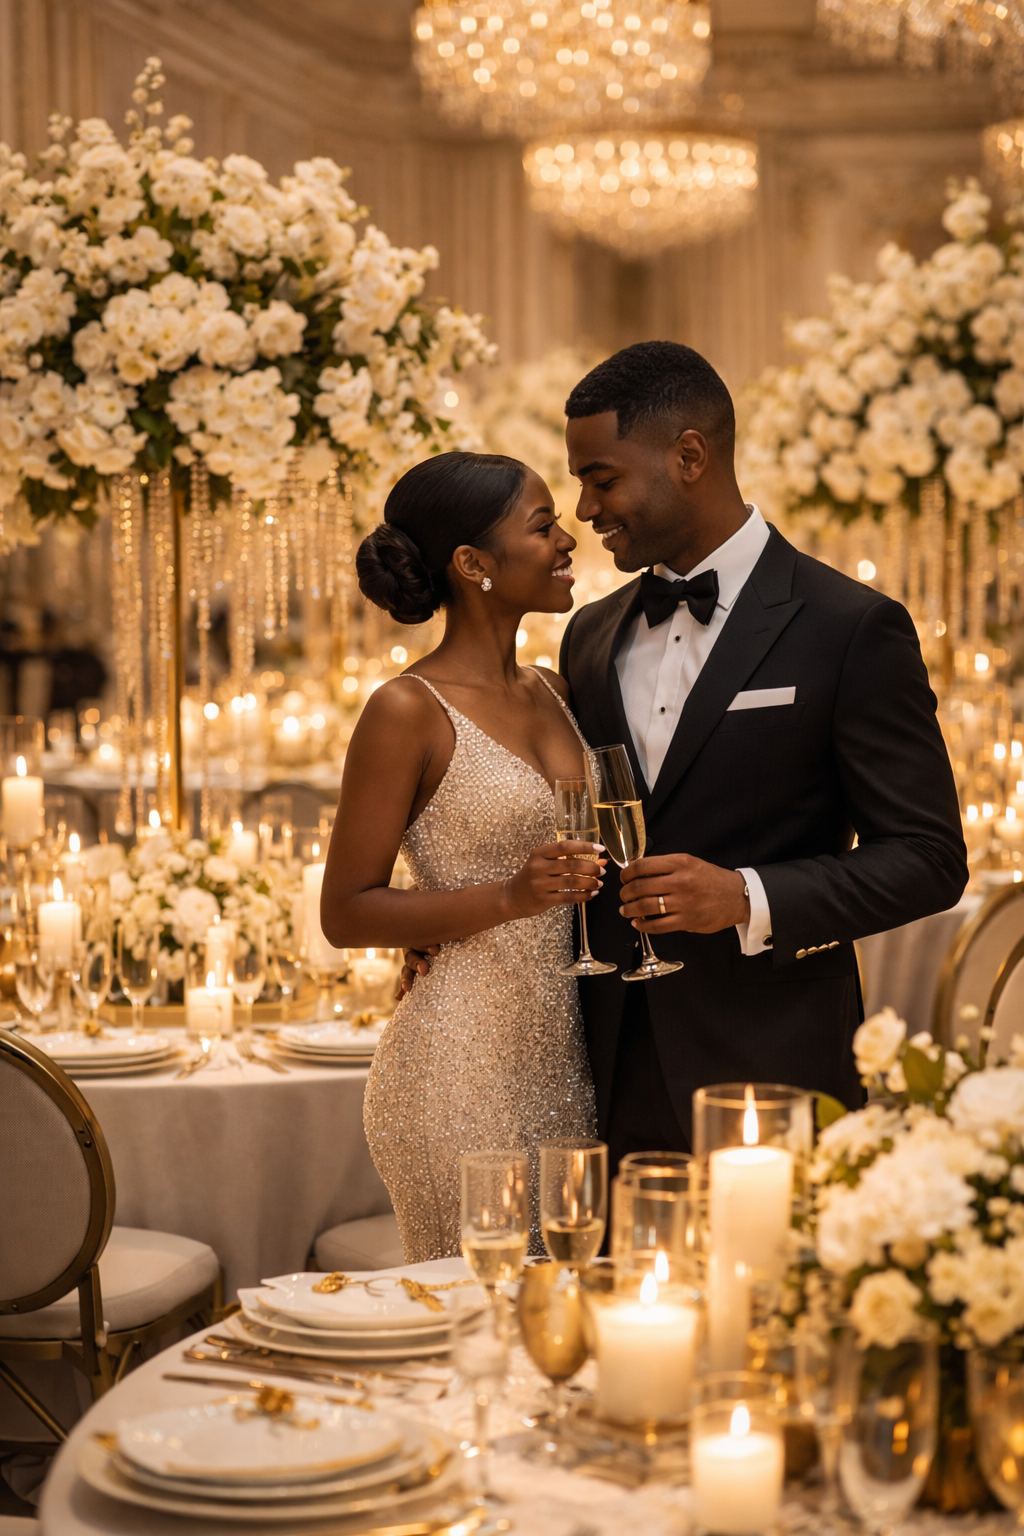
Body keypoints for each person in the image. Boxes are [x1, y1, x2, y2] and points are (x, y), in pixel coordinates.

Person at [552, 339, 969, 1174]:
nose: (586, 509)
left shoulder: (849, 627)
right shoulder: (590, 636)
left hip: (772, 1071)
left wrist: (746, 897)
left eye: (602, 479)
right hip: (605, 1071)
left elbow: (929, 859)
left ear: (690, 456)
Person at [321, 451, 599, 1262]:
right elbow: (345, 911)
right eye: (542, 526)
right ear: (473, 564)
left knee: (559, 1300)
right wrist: (506, 898)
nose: (566, 539)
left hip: (568, 1052)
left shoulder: (555, 686)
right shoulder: (407, 709)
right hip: (458, 1064)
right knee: (474, 1317)